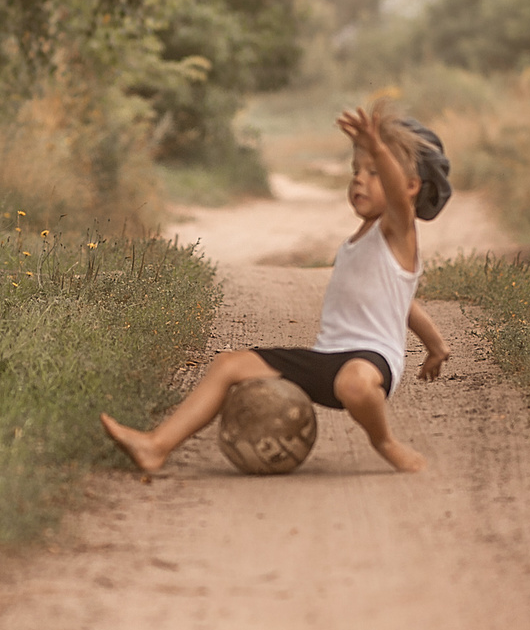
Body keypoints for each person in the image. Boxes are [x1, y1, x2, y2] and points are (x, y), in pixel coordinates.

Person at [103, 103, 451, 476]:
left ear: (410, 187)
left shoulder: (398, 232)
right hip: (326, 358)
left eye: (374, 172)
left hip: (370, 363)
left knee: (355, 383)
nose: (359, 181)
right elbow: (404, 303)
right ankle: (156, 446)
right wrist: (436, 347)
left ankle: (385, 442)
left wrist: (378, 147)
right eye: (355, 171)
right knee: (228, 364)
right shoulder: (360, 240)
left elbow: (397, 200)